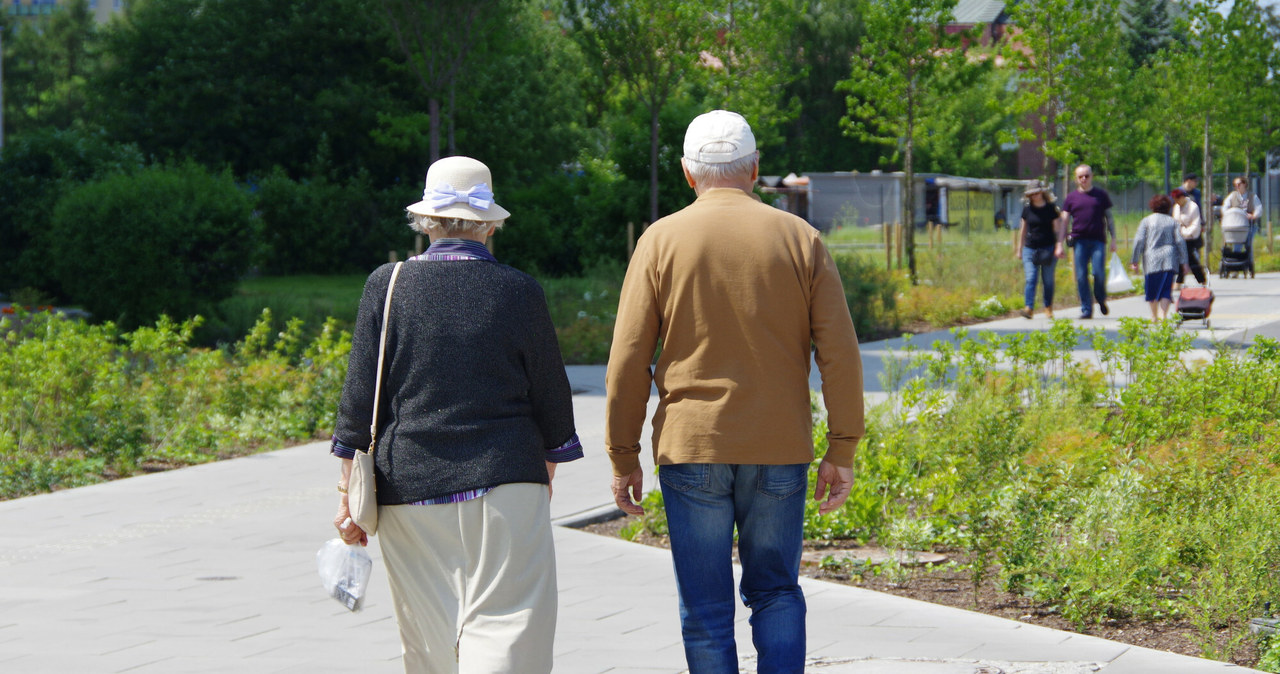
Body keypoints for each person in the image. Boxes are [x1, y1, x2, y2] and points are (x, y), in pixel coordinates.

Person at [605, 110, 865, 673]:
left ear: (687, 173)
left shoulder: (659, 241)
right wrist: (842, 446)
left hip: (691, 446)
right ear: (754, 169)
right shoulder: (802, 239)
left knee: (704, 609)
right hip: (779, 447)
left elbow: (628, 359)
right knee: (776, 590)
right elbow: (839, 353)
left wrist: (623, 455)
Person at [329, 156, 582, 673]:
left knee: (429, 638)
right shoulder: (519, 291)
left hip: (410, 485)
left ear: (425, 220)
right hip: (506, 481)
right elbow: (552, 397)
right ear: (489, 224)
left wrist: (346, 496)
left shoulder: (388, 284)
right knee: (511, 623)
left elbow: (360, 400)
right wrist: (546, 466)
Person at [1061, 164, 1117, 319]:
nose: (1084, 179)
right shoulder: (1071, 198)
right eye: (1080, 176)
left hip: (1098, 240)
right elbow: (1064, 220)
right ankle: (1086, 308)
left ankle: (1100, 298)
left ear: (1092, 176)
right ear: (1076, 179)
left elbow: (1109, 218)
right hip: (1079, 241)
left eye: (1086, 176)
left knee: (1098, 273)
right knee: (1080, 275)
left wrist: (1114, 239)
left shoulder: (1100, 195)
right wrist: (1060, 242)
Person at [1129, 194, 1190, 323]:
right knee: (1166, 289)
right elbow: (1180, 241)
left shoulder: (1146, 221)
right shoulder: (1172, 222)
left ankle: (1154, 315)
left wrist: (1134, 260)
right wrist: (1184, 261)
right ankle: (1163, 314)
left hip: (1151, 259)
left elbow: (1139, 240)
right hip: (1169, 258)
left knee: (1151, 288)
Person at [1012, 179, 1066, 319]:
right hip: (1030, 248)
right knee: (1031, 278)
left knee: (1047, 280)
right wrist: (1019, 249)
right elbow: (1023, 229)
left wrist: (1059, 246)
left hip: (1048, 248)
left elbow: (1057, 229)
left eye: (1036, 192)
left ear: (1042, 192)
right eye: (1031, 193)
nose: (1034, 195)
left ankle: (1048, 307)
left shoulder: (1051, 208)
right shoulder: (1027, 209)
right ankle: (1029, 307)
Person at [1171, 188, 1205, 287]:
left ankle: (1181, 281)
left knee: (1188, 257)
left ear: (1182, 197)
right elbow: (1175, 221)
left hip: (1191, 237)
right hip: (1179, 236)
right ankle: (1200, 279)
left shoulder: (1193, 207)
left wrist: (1185, 233)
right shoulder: (1176, 207)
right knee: (1185, 258)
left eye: (1177, 199)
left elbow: (1195, 224)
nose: (1176, 202)